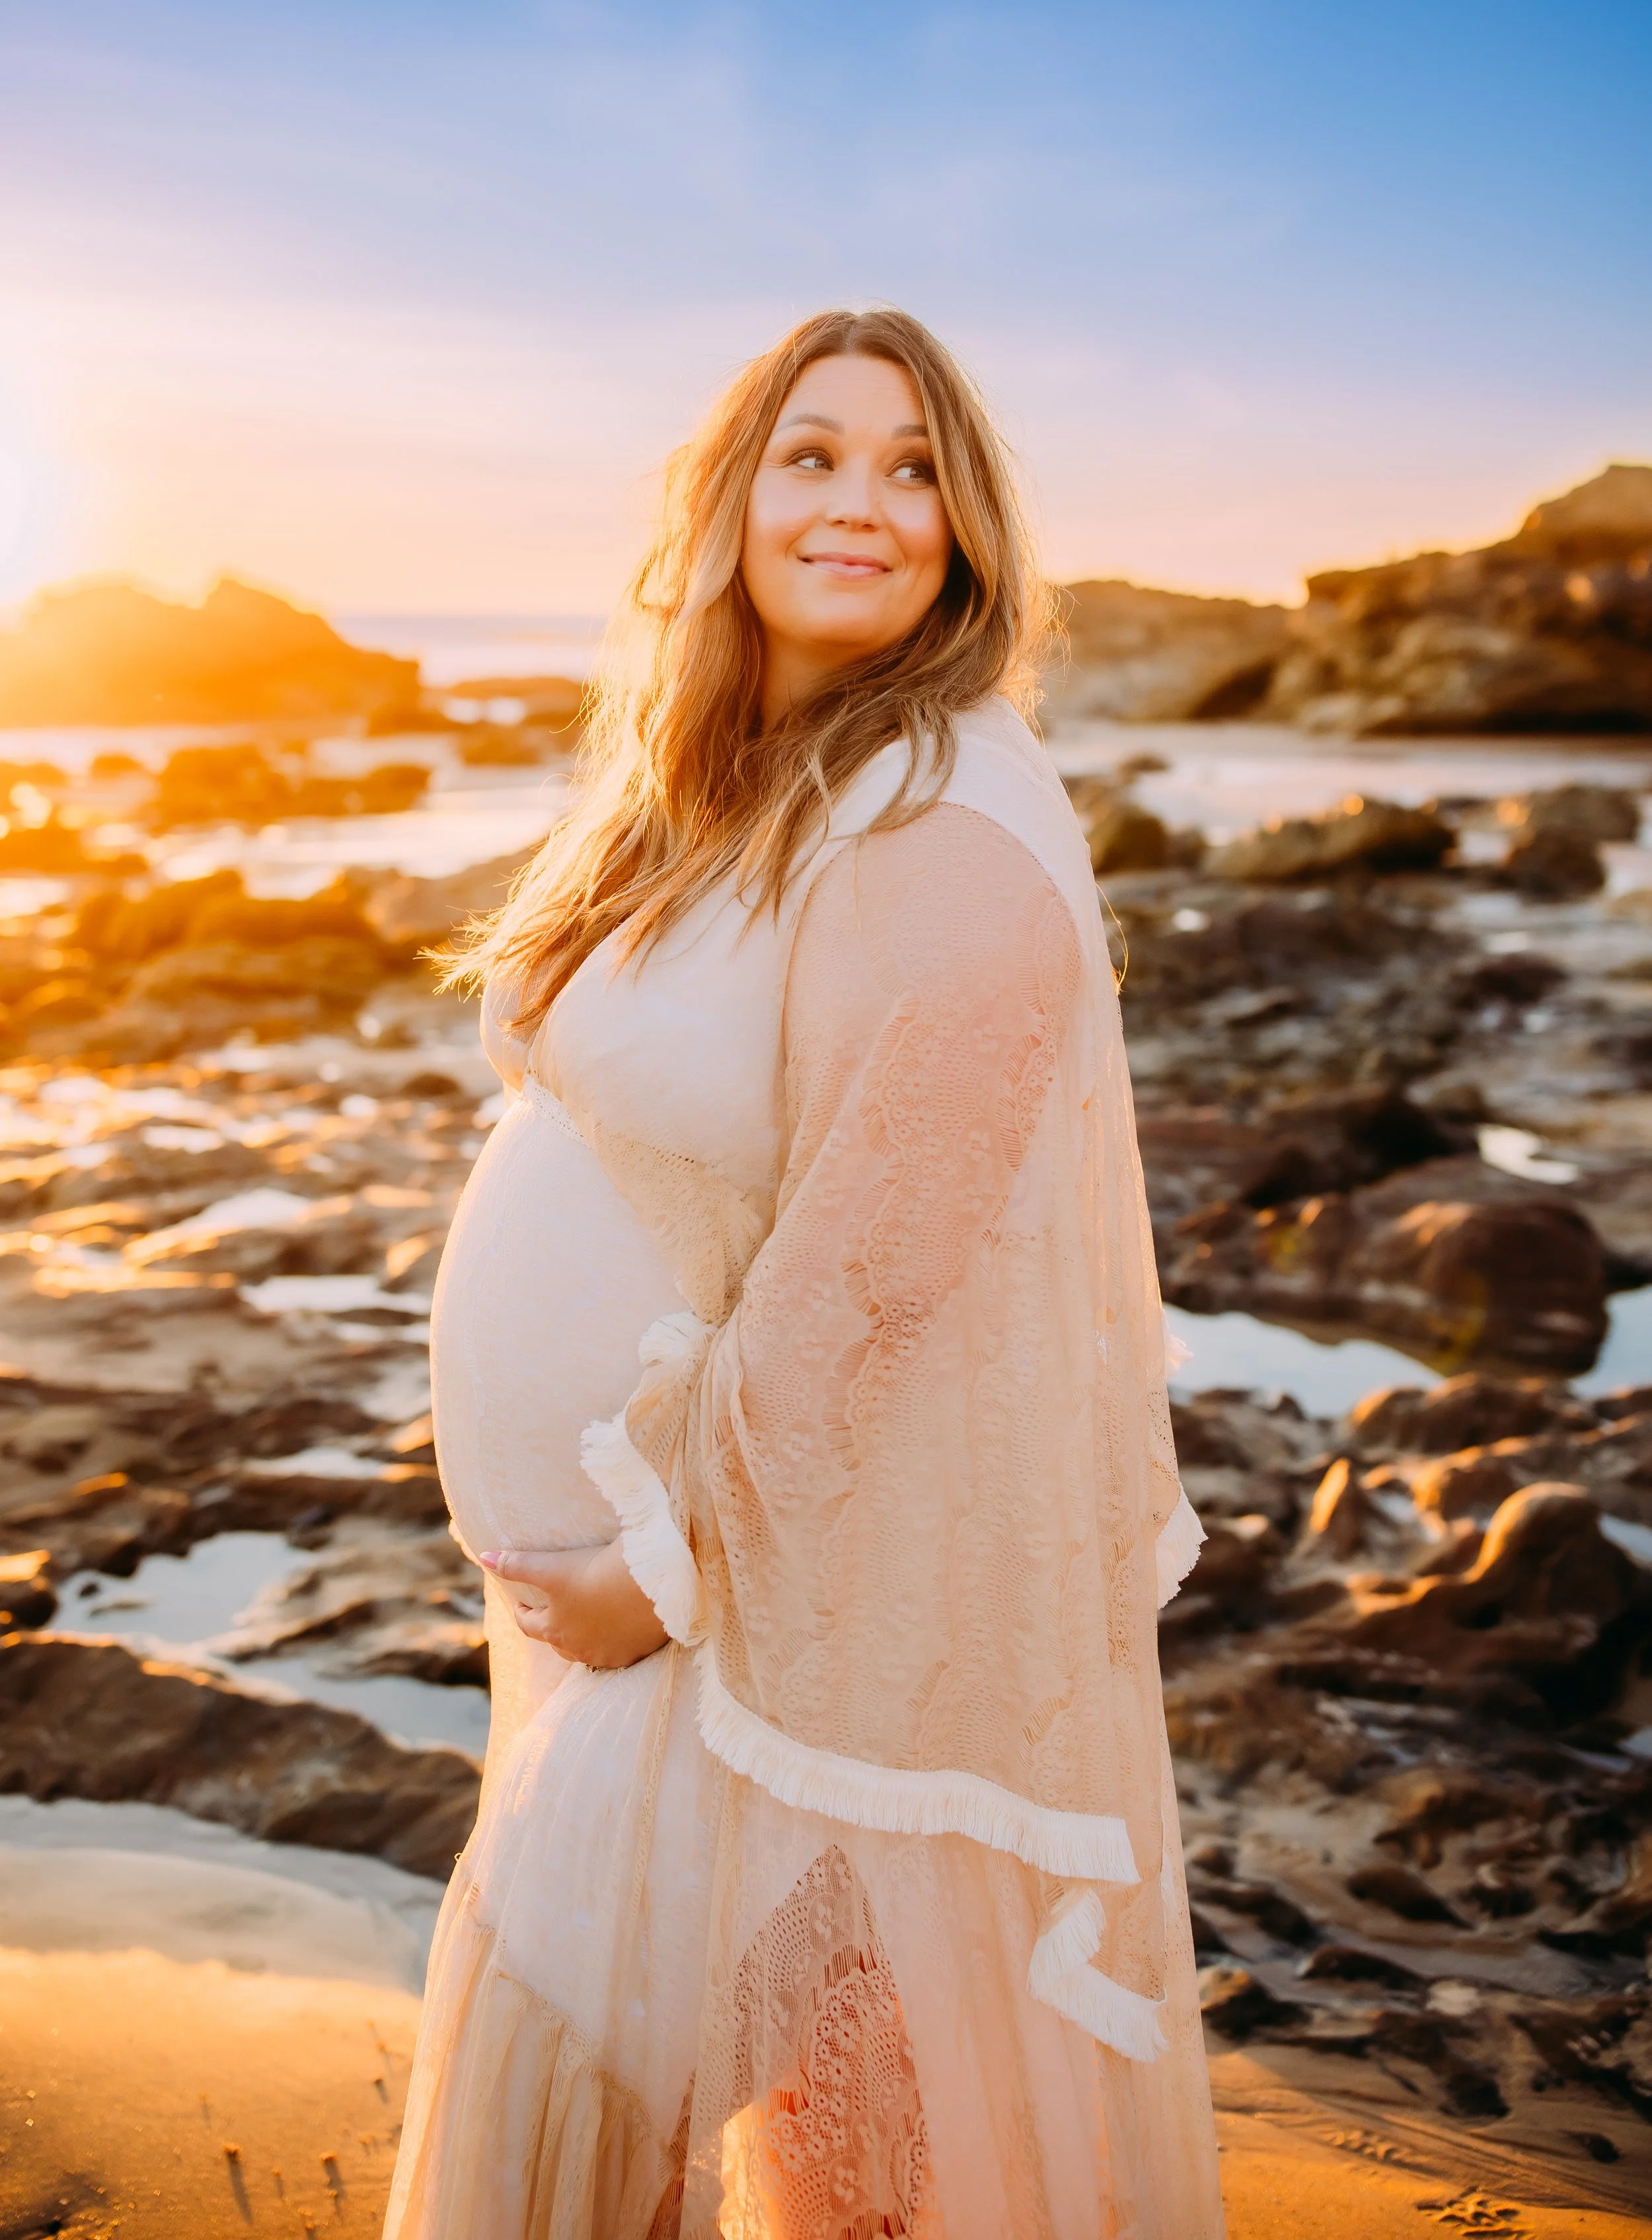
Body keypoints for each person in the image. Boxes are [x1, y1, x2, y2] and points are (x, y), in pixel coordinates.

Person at [382, 307, 1225, 2239]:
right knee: (729, 2129)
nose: (863, 502)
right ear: (732, 495)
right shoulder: (736, 778)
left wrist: (654, 1569)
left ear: (969, 524)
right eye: (814, 453)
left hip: (752, 1611)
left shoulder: (935, 806)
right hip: (666, 1605)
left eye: (914, 465)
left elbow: (881, 1265)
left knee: (834, 2170)